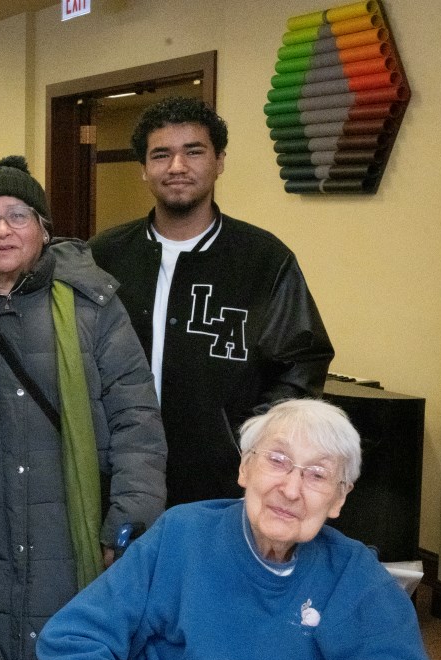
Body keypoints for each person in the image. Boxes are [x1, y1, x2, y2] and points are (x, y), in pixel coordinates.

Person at [38, 398, 441, 660]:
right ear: (245, 467)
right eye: (278, 460)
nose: (291, 488)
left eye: (317, 475)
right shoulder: (182, 536)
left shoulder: (354, 576)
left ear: (339, 498)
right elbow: (71, 640)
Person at [0, 156, 166, 660]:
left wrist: (130, 516)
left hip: (75, 527)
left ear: (44, 228)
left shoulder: (94, 306)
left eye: (17, 215)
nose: (2, 229)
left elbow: (137, 419)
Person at [89, 97, 334, 507]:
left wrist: (252, 441)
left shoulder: (264, 260)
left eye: (194, 152)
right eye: (161, 155)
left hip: (222, 483)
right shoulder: (104, 256)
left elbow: (300, 363)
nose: (177, 167)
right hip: (116, 478)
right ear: (144, 169)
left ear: (219, 161)